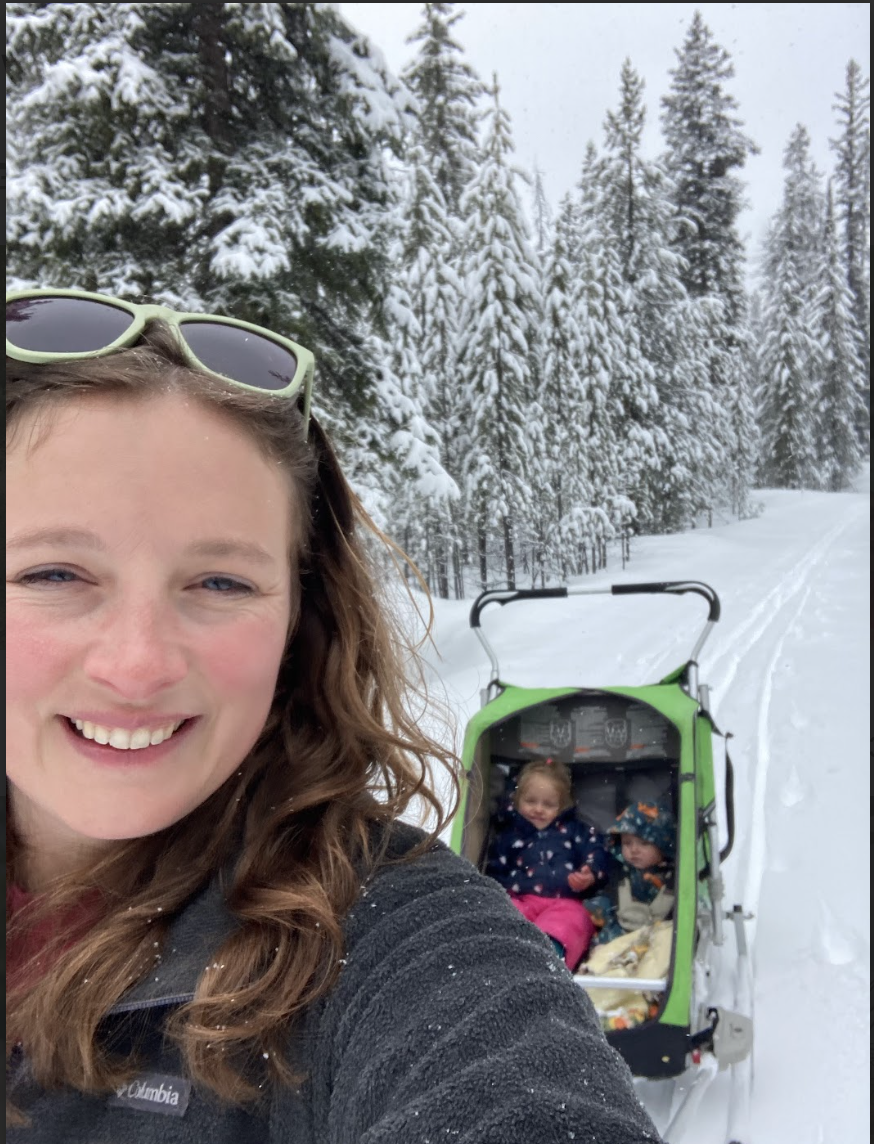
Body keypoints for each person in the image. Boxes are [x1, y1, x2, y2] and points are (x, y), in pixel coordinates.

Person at [6, 288, 664, 1143]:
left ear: (298, 622)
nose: (137, 665)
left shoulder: (388, 932)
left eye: (221, 583)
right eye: (54, 573)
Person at [485, 759, 612, 971]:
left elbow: (597, 851)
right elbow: (495, 869)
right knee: (507, 914)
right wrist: (498, 892)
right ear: (517, 800)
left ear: (562, 807)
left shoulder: (574, 831)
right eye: (531, 801)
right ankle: (506, 959)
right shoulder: (510, 834)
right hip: (521, 899)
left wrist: (590, 873)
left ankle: (550, 959)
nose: (538, 809)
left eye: (548, 804)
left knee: (573, 919)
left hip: (565, 901)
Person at [585, 801, 677, 946]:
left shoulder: (676, 878)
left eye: (644, 843)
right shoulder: (619, 872)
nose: (634, 850)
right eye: (627, 843)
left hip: (659, 936)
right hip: (622, 931)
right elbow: (608, 900)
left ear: (662, 846)